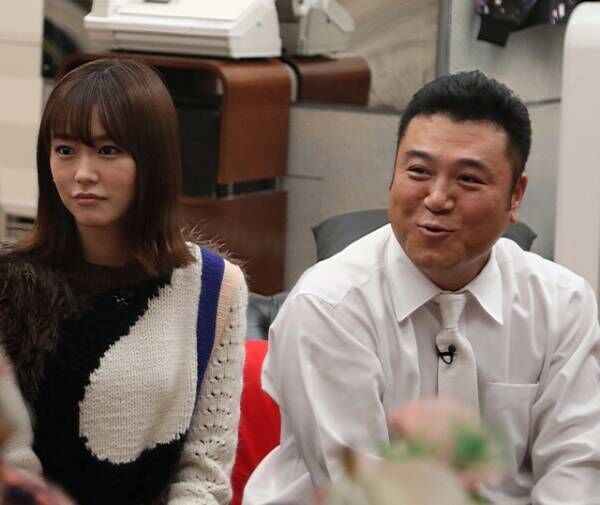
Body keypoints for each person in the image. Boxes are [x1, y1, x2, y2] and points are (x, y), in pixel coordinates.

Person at [243, 70, 600, 504]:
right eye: (418, 171)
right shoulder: (329, 305)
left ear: (516, 195)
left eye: (468, 179)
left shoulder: (563, 304)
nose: (436, 198)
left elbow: (575, 472)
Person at [0, 58, 248, 505]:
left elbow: (205, 470)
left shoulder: (214, 289)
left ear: (153, 161)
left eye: (108, 150)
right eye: (65, 150)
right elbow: (9, 463)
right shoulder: (10, 286)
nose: (83, 173)